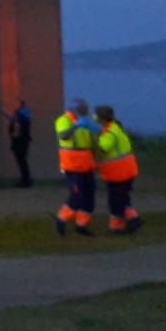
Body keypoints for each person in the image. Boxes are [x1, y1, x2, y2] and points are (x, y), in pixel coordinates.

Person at [94, 105, 142, 235]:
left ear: (101, 118)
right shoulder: (116, 128)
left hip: (118, 173)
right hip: (127, 170)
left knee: (115, 201)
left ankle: (117, 227)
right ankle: (133, 220)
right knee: (123, 198)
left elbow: (102, 149)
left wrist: (90, 144)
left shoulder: (109, 134)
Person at [53, 98, 98, 236]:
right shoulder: (63, 120)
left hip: (87, 164)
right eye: (83, 109)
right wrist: (77, 125)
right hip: (72, 165)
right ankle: (61, 219)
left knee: (89, 196)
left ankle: (81, 225)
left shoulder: (86, 121)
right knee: (77, 195)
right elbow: (63, 136)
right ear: (75, 109)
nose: (87, 111)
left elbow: (93, 141)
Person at [6, 99, 33, 187]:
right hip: (24, 141)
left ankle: (25, 181)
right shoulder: (25, 114)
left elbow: (16, 126)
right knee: (23, 161)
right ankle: (26, 179)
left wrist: (14, 134)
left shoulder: (19, 114)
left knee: (21, 161)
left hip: (19, 142)